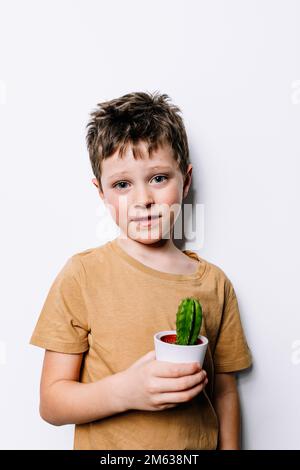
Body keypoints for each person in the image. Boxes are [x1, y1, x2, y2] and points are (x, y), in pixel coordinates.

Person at [29, 91, 252, 450]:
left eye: (159, 178)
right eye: (122, 184)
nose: (143, 199)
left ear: (186, 180)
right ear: (100, 192)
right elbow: (52, 403)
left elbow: (225, 393)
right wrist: (126, 392)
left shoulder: (214, 283)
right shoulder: (82, 275)